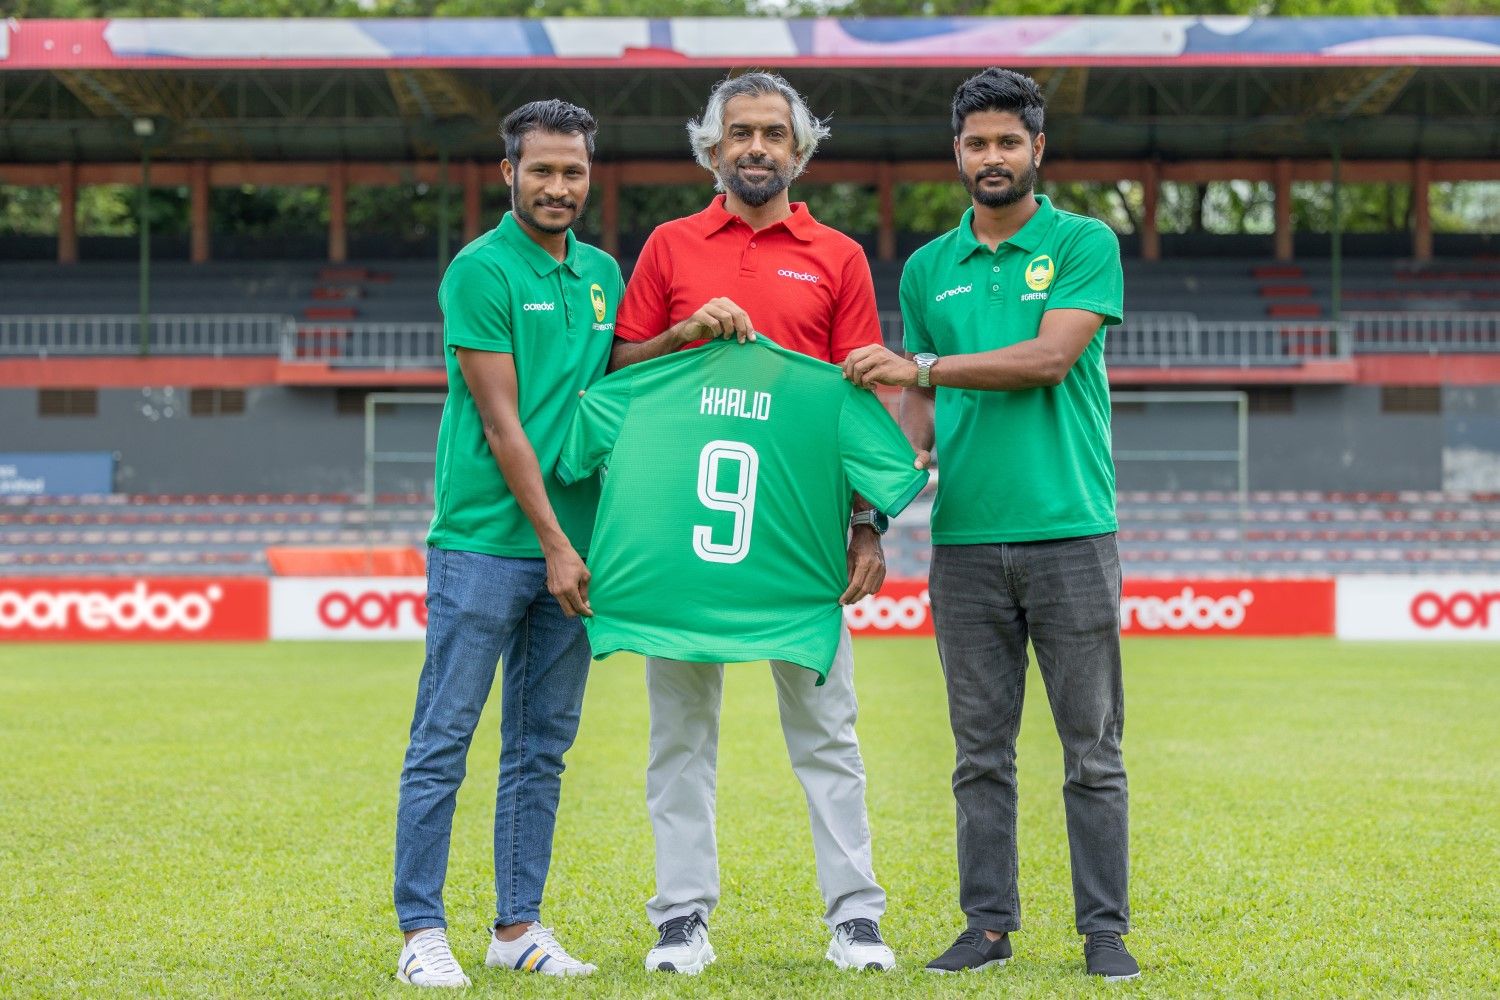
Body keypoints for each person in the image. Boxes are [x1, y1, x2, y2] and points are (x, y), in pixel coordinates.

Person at [842, 68, 1139, 982]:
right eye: (977, 143)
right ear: (958, 152)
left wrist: (922, 365)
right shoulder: (928, 269)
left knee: (1092, 752)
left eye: (1009, 141)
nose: (993, 156)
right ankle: (988, 927)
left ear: (1037, 148)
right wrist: (870, 511)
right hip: (966, 542)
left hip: (1071, 531)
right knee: (980, 754)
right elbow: (920, 423)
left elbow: (1049, 359)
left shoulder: (1083, 241)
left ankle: (1103, 933)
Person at [610, 71, 897, 975]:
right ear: (713, 147)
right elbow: (619, 374)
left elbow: (862, 397)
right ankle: (680, 918)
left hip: (800, 536)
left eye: (774, 132)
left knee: (828, 732)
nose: (757, 147)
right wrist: (682, 337)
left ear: (799, 150)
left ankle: (855, 918)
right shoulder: (668, 246)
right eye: (740, 132)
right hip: (686, 534)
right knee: (680, 736)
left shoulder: (838, 257)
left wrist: (866, 521)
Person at [392, 99, 623, 988]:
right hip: (486, 545)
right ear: (509, 174)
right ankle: (421, 931)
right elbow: (503, 424)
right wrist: (557, 543)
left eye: (573, 171)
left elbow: (607, 381)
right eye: (542, 170)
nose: (558, 186)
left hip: (572, 550)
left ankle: (516, 927)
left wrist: (684, 335)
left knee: (540, 748)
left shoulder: (601, 273)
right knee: (443, 739)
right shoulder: (479, 271)